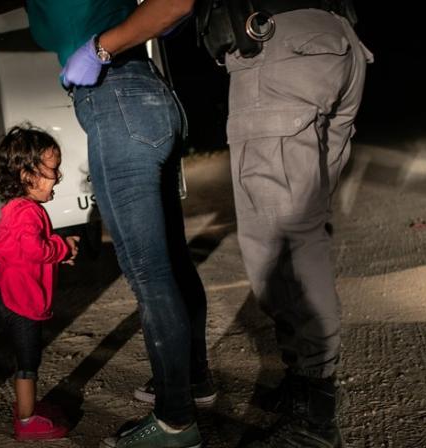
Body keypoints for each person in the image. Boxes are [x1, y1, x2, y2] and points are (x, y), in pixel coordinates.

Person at [25, 1, 212, 446]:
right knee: (171, 260)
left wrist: (99, 51)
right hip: (147, 95)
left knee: (149, 271)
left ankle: (175, 421)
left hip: (115, 100)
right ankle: (194, 382)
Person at [195, 0, 372, 446]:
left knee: (283, 239)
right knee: (305, 226)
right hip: (334, 38)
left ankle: (315, 417)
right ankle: (303, 383)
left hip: (279, 45)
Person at [0, 124, 80, 441]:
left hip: (10, 295)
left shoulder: (17, 209)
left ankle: (27, 408)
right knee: (28, 362)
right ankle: (26, 421)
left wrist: (57, 249)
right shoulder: (26, 212)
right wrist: (62, 247)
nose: (58, 177)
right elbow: (33, 249)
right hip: (20, 301)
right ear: (28, 175)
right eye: (52, 170)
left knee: (25, 358)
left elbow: (19, 249)